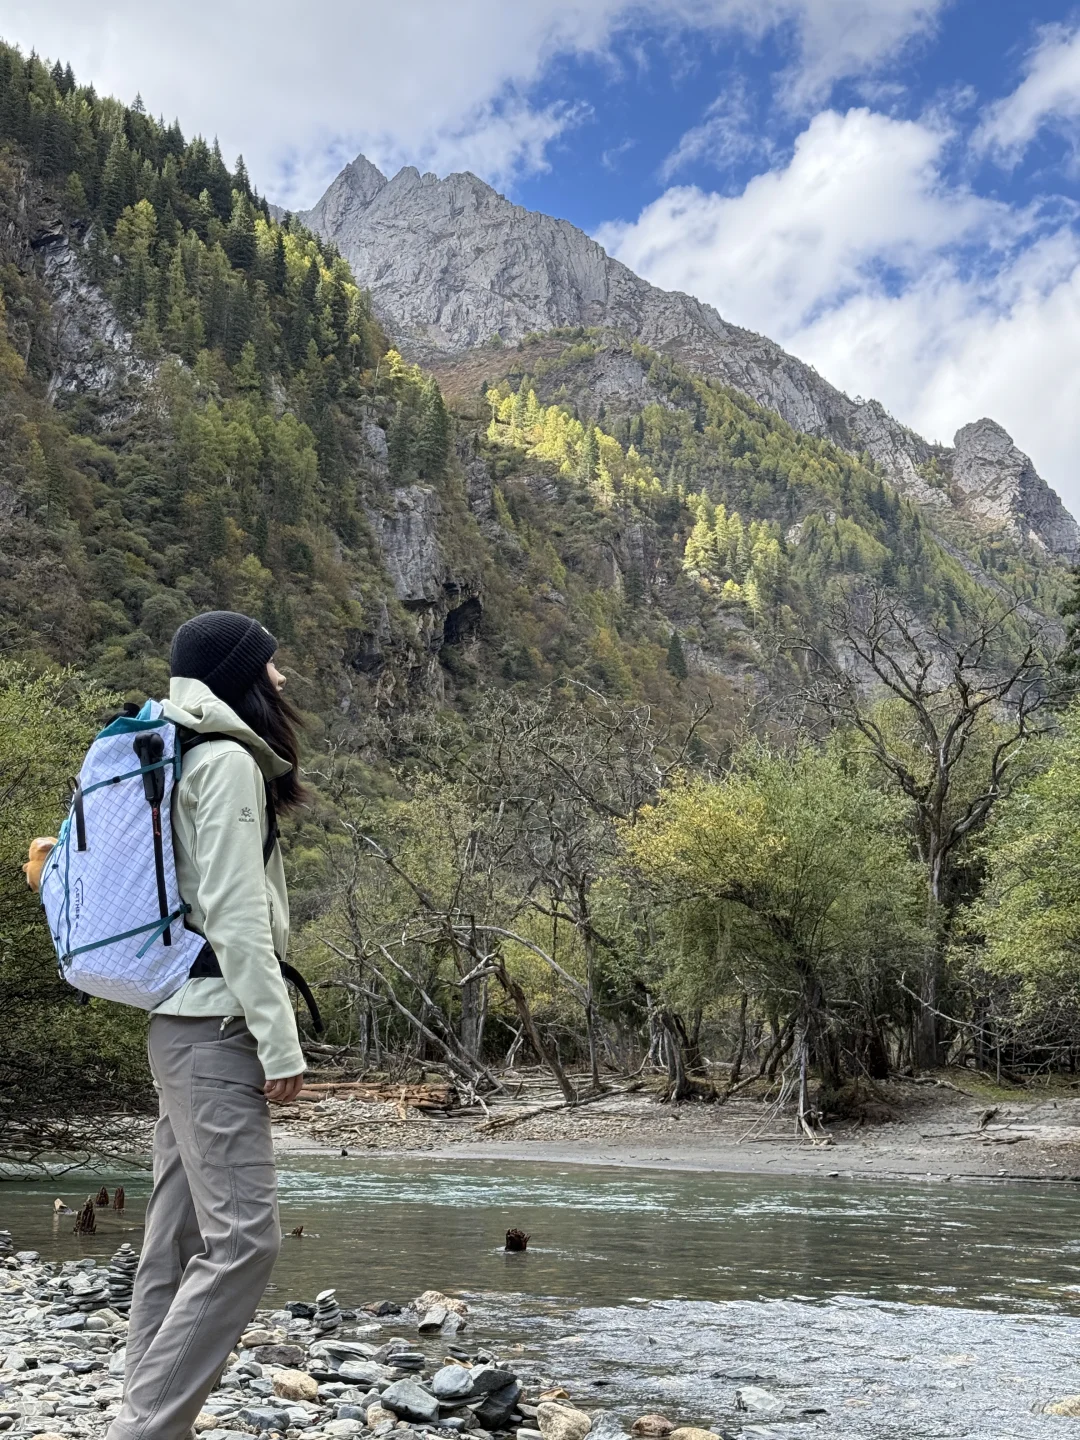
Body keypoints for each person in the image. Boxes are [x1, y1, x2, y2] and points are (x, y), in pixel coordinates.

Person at [107, 610, 308, 1440]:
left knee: (178, 1240)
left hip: (179, 1025)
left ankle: (152, 1422)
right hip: (215, 1031)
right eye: (271, 665)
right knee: (244, 1244)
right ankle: (146, 1428)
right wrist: (280, 1038)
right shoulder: (225, 762)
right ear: (238, 676)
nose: (282, 678)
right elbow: (235, 917)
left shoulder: (188, 751)